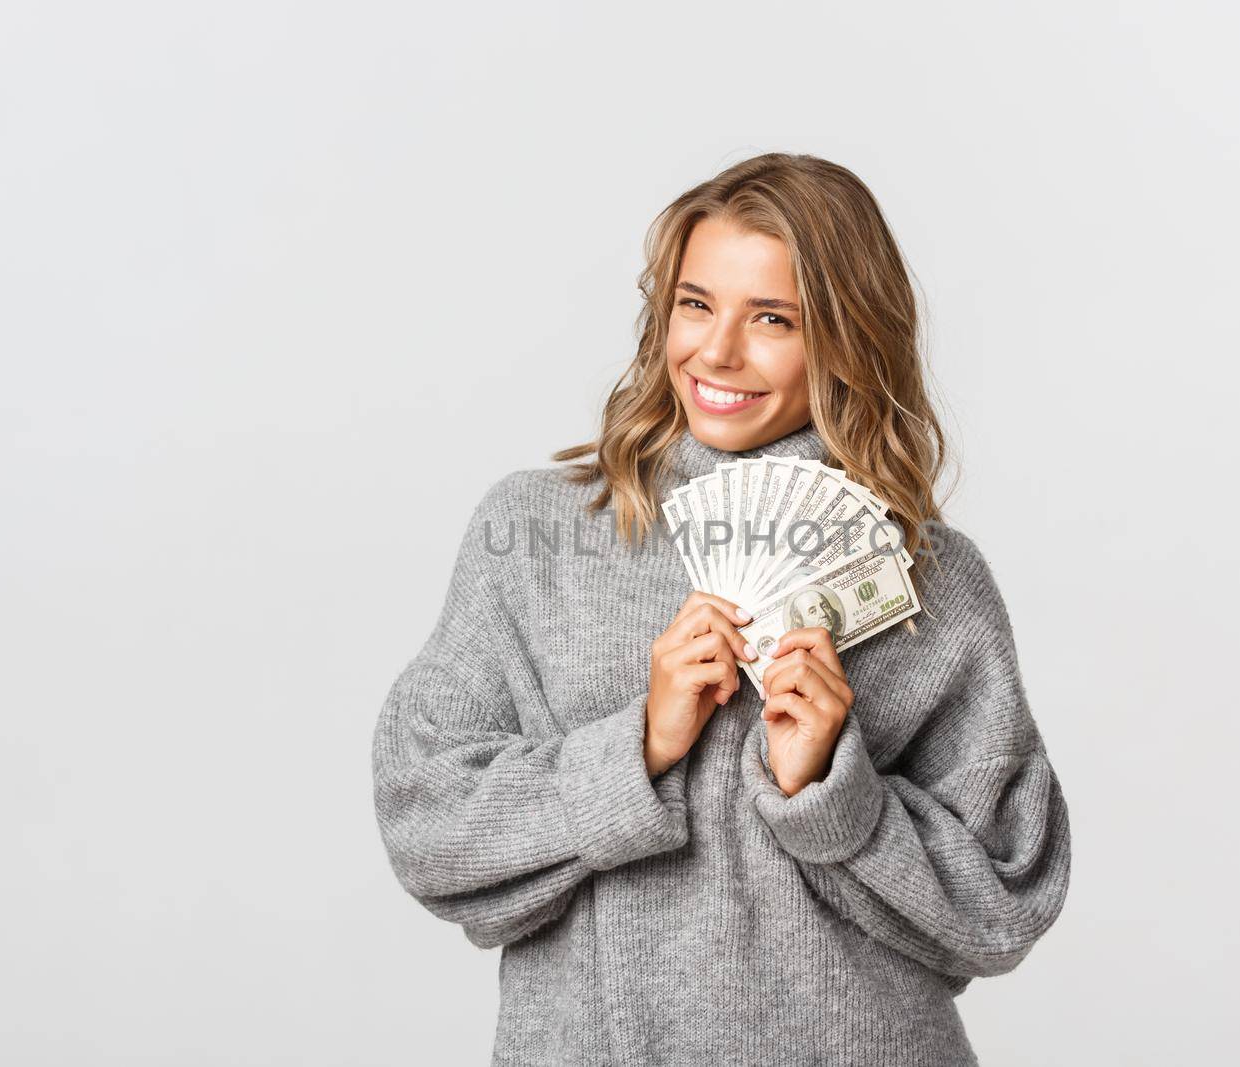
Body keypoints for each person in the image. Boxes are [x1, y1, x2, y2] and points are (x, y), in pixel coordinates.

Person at [370, 152, 1072, 1065]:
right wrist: (638, 752)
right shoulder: (534, 534)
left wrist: (830, 789)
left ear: (849, 339)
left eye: (772, 318)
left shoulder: (929, 579)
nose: (717, 351)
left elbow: (1006, 899)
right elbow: (427, 821)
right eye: (695, 303)